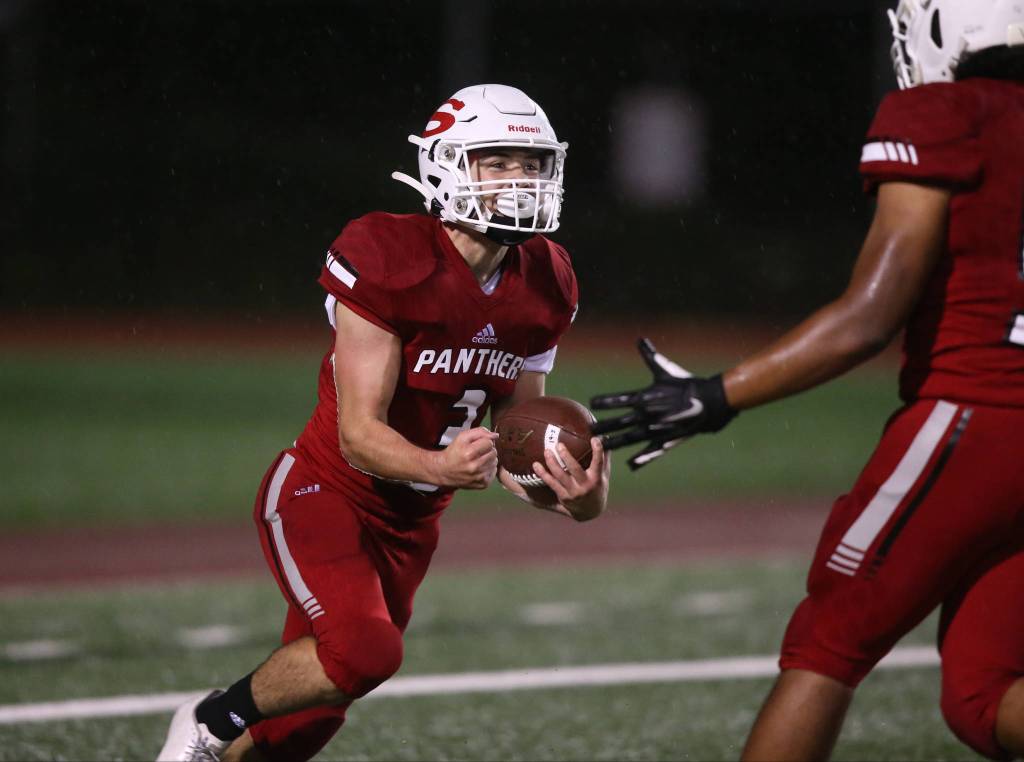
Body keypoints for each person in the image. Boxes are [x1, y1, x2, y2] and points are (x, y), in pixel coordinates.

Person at [590, 1, 1024, 759]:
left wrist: (716, 395)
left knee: (829, 640)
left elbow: (869, 315)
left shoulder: (942, 111)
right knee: (981, 697)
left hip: (975, 414)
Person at [157, 83, 609, 762]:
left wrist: (579, 495)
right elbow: (358, 434)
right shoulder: (387, 254)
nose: (520, 179)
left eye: (532, 162)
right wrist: (439, 465)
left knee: (307, 722)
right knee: (364, 652)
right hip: (326, 493)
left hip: (413, 524)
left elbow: (519, 430)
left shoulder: (546, 278)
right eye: (498, 160)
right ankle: (208, 718)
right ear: (447, 165)